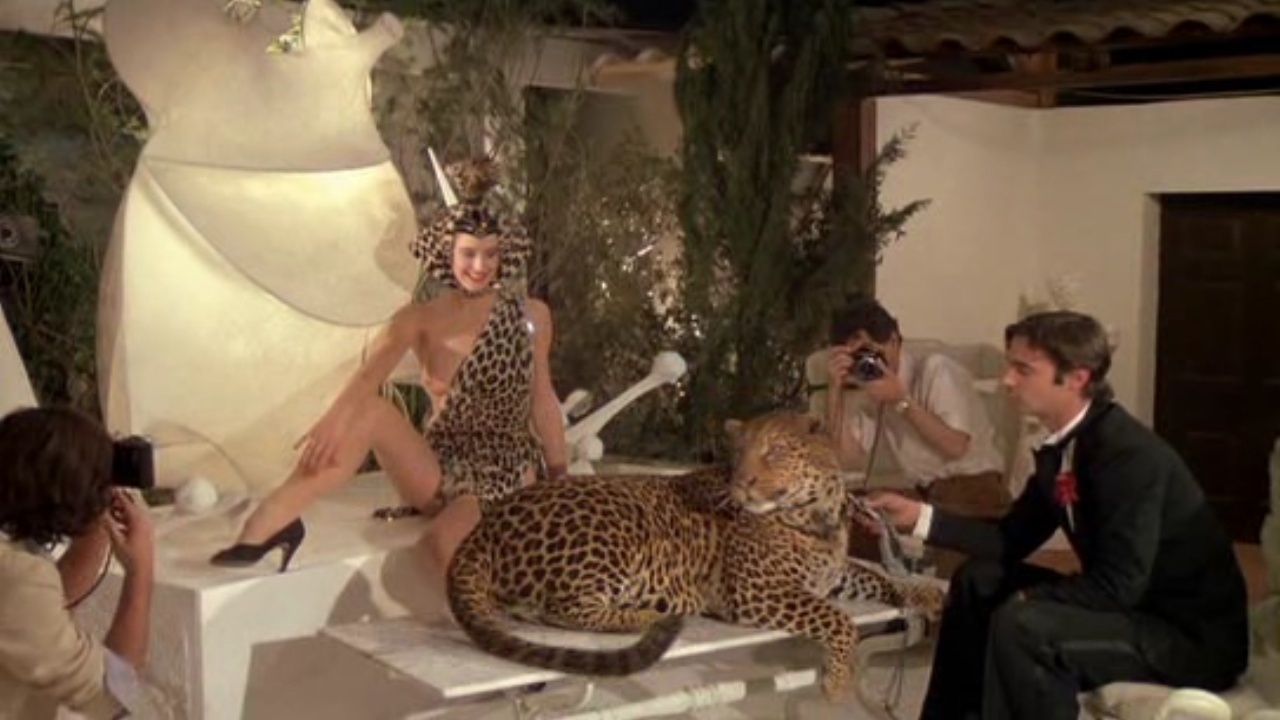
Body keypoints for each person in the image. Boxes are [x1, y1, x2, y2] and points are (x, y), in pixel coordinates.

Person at [864, 311, 1249, 720]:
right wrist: (919, 518)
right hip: (1131, 607)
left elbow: (1120, 585)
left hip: (1184, 638)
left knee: (1024, 623)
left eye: (1023, 369)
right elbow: (1009, 539)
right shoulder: (1063, 448)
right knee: (979, 580)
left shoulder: (1126, 455)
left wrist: (1031, 598)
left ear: (1077, 378)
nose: (1007, 380)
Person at [212, 157, 568, 586]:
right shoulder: (418, 320)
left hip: (503, 469)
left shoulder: (532, 316)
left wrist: (559, 476)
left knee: (443, 543)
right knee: (368, 411)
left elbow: (542, 398)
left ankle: (489, 617)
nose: (480, 266)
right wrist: (330, 423)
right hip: (438, 465)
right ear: (447, 253)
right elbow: (366, 380)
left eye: (490, 255)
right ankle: (272, 520)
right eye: (469, 254)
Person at [822, 297, 1008, 577]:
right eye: (858, 357)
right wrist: (835, 390)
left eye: (871, 352)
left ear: (894, 340)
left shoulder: (936, 369)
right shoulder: (871, 391)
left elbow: (956, 446)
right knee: (849, 520)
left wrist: (901, 400)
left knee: (950, 578)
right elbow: (847, 458)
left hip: (975, 490)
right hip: (927, 492)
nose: (870, 363)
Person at [0, 406, 155, 719]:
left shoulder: (14, 566)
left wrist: (96, 524)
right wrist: (141, 571)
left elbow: (41, 613)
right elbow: (112, 693)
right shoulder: (18, 575)